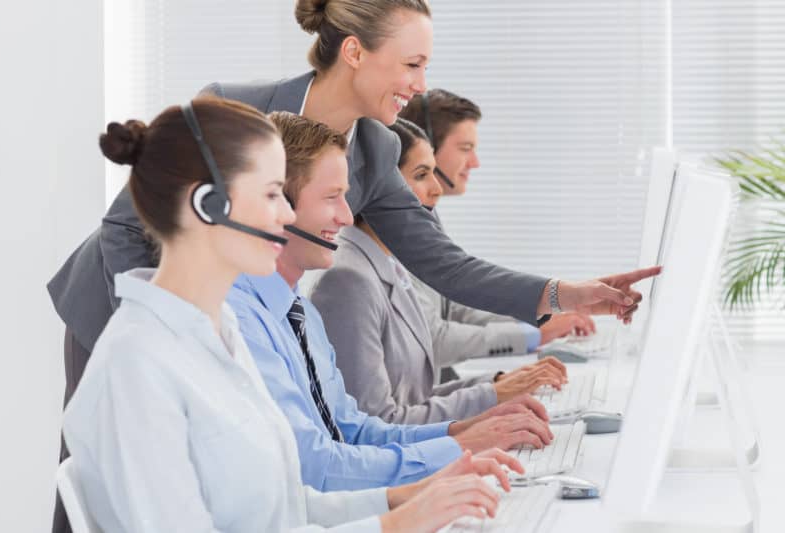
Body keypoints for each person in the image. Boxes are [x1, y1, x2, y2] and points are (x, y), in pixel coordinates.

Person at [48, 3, 658, 526]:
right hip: (122, 304)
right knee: (121, 491)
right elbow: (126, 230)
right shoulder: (235, 113)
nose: (421, 85)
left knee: (249, 477)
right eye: (412, 64)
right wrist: (165, 327)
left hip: (219, 318)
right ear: (355, 52)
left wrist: (563, 295)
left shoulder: (375, 149)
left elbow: (443, 263)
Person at [63, 98, 523, 533]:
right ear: (209, 206)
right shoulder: (137, 366)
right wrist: (395, 524)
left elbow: (284, 506)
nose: (287, 214)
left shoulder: (218, 334)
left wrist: (406, 500)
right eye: (271, 195)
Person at [227, 111, 554, 492]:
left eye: (346, 196)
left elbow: (354, 428)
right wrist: (458, 446)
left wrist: (463, 432)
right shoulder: (242, 321)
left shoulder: (300, 313)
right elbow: (316, 466)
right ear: (275, 204)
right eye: (332, 197)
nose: (346, 215)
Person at [310, 119, 571, 424]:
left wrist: (495, 384)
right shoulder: (348, 281)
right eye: (421, 175)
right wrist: (492, 394)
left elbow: (416, 397)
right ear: (377, 185)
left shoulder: (389, 262)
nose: (436, 190)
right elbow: (377, 423)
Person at [397, 93, 597, 367]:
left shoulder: (426, 218)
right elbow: (431, 337)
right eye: (465, 148)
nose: (475, 162)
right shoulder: (398, 231)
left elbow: (452, 307)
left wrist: (540, 319)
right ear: (425, 148)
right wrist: (532, 335)